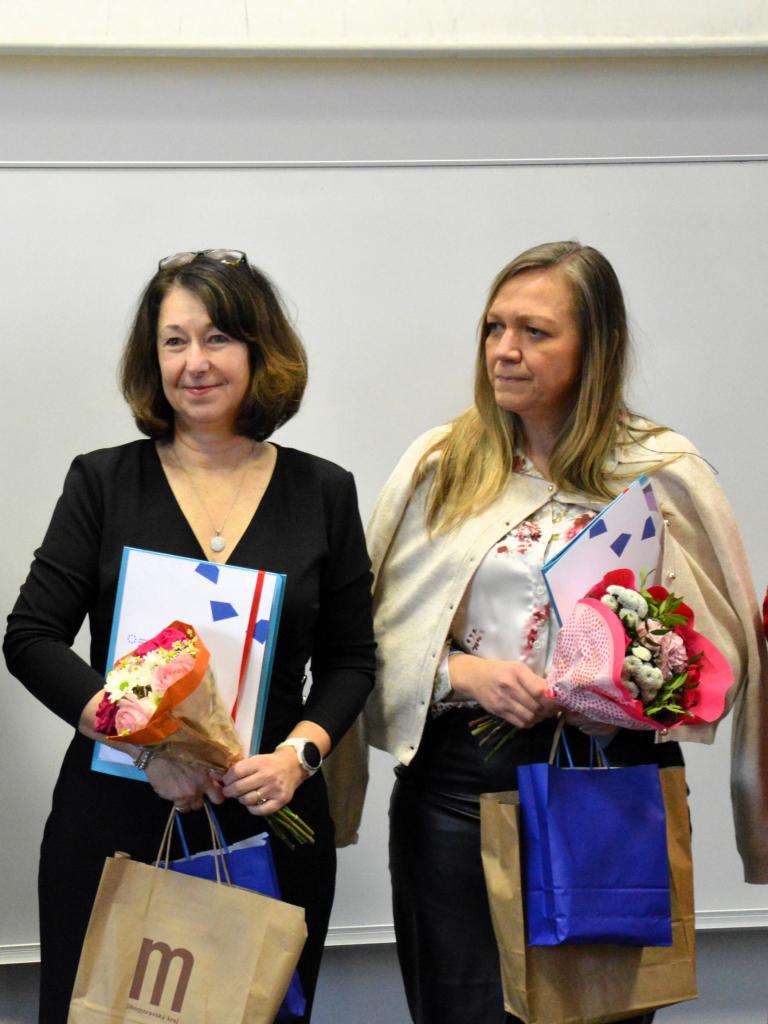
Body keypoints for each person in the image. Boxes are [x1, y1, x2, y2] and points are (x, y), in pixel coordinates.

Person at [363, 240, 768, 1024]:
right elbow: (368, 634)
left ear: (596, 347)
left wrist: (625, 689)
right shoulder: (444, 465)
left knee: (603, 1013)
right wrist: (457, 673)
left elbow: (719, 654)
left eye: (535, 332)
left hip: (613, 786)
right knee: (464, 1010)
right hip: (458, 791)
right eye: (494, 327)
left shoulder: (660, 471)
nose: (504, 350)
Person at [3, 249, 376, 1024]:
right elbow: (32, 638)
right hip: (114, 814)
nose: (194, 362)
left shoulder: (323, 491)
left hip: (269, 814)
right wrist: (149, 751)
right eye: (174, 342)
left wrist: (300, 756)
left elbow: (351, 660)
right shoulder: (102, 482)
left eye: (217, 339)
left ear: (259, 351)